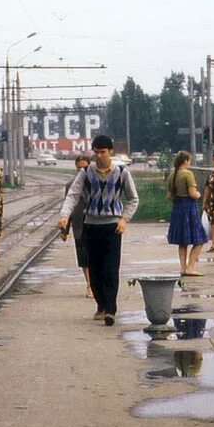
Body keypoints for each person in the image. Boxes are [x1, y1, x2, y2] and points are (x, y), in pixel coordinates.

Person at [58, 135, 139, 326]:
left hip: (112, 226)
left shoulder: (122, 172)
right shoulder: (86, 173)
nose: (100, 156)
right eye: (96, 152)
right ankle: (101, 305)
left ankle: (110, 309)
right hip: (91, 225)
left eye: (103, 152)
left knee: (110, 268)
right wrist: (64, 215)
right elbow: (73, 195)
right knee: (94, 269)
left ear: (111, 151)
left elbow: (133, 198)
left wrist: (124, 219)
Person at [166, 150, 208, 276]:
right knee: (199, 239)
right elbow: (193, 194)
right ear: (185, 161)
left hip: (177, 208)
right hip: (189, 208)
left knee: (182, 241)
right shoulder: (188, 174)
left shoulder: (172, 175)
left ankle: (183, 268)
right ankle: (191, 267)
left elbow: (169, 195)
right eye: (189, 160)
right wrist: (199, 194)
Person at [61, 154, 93, 298]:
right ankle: (89, 285)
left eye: (84, 167)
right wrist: (65, 230)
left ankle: (96, 283)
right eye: (79, 168)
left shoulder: (96, 182)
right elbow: (68, 207)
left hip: (95, 222)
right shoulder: (71, 185)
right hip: (79, 224)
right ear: (75, 168)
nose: (81, 171)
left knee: (96, 255)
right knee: (84, 257)